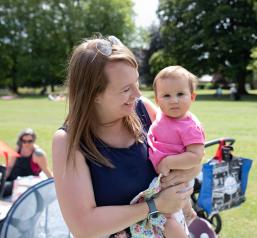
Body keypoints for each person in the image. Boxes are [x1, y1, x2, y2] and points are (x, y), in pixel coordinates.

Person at [52, 35, 200, 238]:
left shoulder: (145, 110)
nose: (138, 94)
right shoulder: (68, 141)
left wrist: (184, 175)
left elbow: (192, 160)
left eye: (137, 82)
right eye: (125, 89)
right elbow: (83, 227)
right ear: (93, 94)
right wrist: (154, 205)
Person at [147, 66, 205, 237]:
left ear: (192, 97)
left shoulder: (189, 126)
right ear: (157, 100)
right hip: (164, 177)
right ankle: (187, 211)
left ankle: (186, 217)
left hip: (176, 176)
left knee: (166, 216)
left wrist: (168, 162)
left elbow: (196, 156)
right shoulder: (162, 116)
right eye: (166, 96)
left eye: (180, 94)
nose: (174, 101)